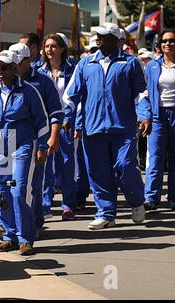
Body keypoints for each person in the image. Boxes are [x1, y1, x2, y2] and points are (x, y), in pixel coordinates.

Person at [63, 22, 152, 230]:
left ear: (116, 40)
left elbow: (141, 93)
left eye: (103, 35)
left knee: (125, 166)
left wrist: (145, 115)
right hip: (93, 128)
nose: (98, 38)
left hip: (123, 128)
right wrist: (67, 116)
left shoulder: (130, 62)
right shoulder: (85, 64)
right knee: (98, 171)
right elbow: (71, 95)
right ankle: (106, 212)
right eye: (97, 35)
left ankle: (137, 201)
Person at [0, 50, 49, 255]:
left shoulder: (28, 91)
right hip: (0, 146)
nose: (0, 71)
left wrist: (43, 146)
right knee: (1, 193)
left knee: (19, 191)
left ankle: (25, 238)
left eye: (5, 68)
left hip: (23, 145)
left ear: (15, 69)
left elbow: (41, 120)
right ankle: (9, 236)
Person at [8, 42, 63, 238]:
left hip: (34, 140)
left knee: (31, 186)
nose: (12, 67)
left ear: (28, 61)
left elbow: (56, 112)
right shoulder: (3, 79)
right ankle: (8, 226)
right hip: (6, 141)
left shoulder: (43, 81)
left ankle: (34, 223)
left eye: (17, 63)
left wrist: (53, 138)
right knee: (5, 185)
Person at [39, 33, 78, 221]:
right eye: (47, 46)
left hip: (66, 123)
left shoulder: (74, 68)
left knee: (66, 165)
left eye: (54, 46)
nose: (49, 49)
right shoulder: (38, 70)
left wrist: (73, 119)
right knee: (44, 164)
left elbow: (77, 96)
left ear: (62, 48)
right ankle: (45, 203)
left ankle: (69, 205)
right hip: (44, 124)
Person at [143, 28, 175, 211]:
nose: (168, 44)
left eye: (171, 41)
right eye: (164, 41)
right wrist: (145, 115)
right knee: (155, 157)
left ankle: (173, 197)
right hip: (158, 116)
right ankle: (152, 197)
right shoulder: (153, 66)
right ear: (159, 45)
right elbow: (145, 93)